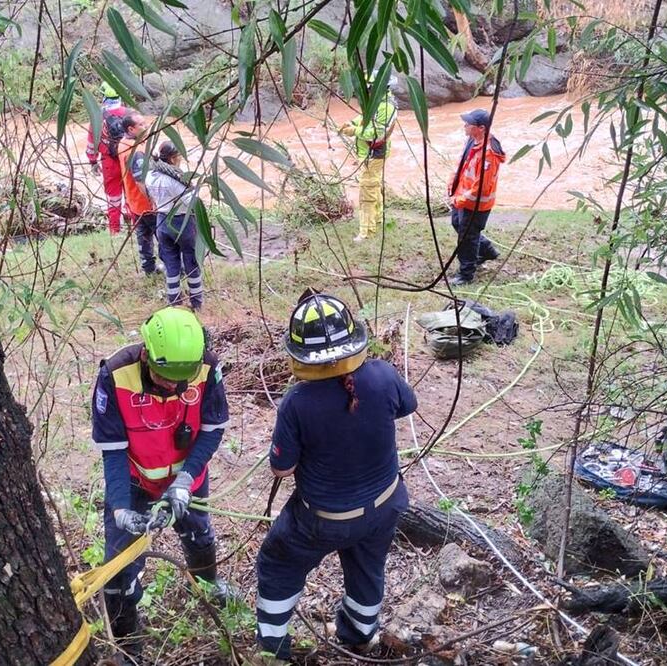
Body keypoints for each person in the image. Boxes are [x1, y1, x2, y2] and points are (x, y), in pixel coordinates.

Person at [253, 290, 418, 664]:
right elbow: (407, 405)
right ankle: (359, 638)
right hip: (385, 504)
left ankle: (273, 651)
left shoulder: (297, 402)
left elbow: (282, 468)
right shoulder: (383, 375)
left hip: (324, 519)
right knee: (367, 569)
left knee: (278, 564)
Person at [91, 307, 231, 662]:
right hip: (134, 481)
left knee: (199, 534)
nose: (173, 387)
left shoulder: (207, 368)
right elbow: (113, 451)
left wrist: (185, 480)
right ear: (145, 355)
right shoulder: (115, 376)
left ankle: (207, 585)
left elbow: (212, 429)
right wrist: (120, 508)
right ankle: (128, 645)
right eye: (165, 378)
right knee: (118, 569)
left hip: (187, 477)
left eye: (182, 380)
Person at [447, 108, 506, 285]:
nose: (464, 126)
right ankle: (486, 249)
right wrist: (452, 186)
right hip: (462, 197)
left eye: (469, 124)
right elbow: (462, 164)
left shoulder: (489, 153)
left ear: (481, 128)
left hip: (475, 204)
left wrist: (460, 199)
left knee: (467, 237)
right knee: (457, 224)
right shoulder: (472, 141)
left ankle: (466, 274)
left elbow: (481, 186)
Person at [146, 142, 204, 310]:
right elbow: (191, 201)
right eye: (178, 156)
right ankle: (196, 302)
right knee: (191, 262)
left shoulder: (150, 175)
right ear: (172, 159)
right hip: (181, 223)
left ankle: (174, 301)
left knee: (171, 264)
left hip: (162, 221)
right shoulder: (174, 180)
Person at [339, 83, 397, 242]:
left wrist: (355, 131)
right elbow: (367, 118)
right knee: (373, 186)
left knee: (367, 193)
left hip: (373, 154)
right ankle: (378, 219)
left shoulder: (386, 107)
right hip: (368, 153)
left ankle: (367, 231)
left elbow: (377, 134)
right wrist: (353, 123)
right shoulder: (377, 102)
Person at [118, 113, 159, 274]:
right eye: (141, 124)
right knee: (162, 236)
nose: (146, 126)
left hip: (134, 201)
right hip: (145, 202)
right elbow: (140, 180)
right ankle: (175, 267)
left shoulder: (123, 144)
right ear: (131, 129)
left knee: (143, 236)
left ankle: (148, 268)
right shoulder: (135, 151)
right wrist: (153, 200)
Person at [86, 82, 128, 234]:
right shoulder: (130, 114)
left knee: (113, 199)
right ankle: (136, 229)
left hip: (109, 162)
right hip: (128, 159)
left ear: (103, 96)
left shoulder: (97, 117)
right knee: (131, 194)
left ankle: (115, 231)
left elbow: (92, 143)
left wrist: (93, 161)